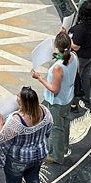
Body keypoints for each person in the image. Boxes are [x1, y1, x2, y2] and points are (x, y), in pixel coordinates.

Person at [0, 86, 52, 183]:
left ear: (23, 102)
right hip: (38, 155)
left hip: (17, 160)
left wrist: (1, 122)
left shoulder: (16, 121)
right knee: (33, 179)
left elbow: (2, 139)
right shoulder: (45, 111)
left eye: (18, 96)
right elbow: (49, 129)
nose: (16, 97)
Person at [32, 30, 77, 164]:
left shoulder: (58, 68)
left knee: (56, 129)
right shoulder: (73, 56)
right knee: (65, 123)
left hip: (57, 102)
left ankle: (55, 156)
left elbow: (54, 89)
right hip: (68, 97)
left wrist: (39, 78)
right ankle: (63, 147)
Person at [67, 5, 91, 112]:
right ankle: (86, 98)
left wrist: (67, 38)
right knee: (86, 76)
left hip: (82, 57)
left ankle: (73, 105)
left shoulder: (80, 29)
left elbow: (75, 47)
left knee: (76, 80)